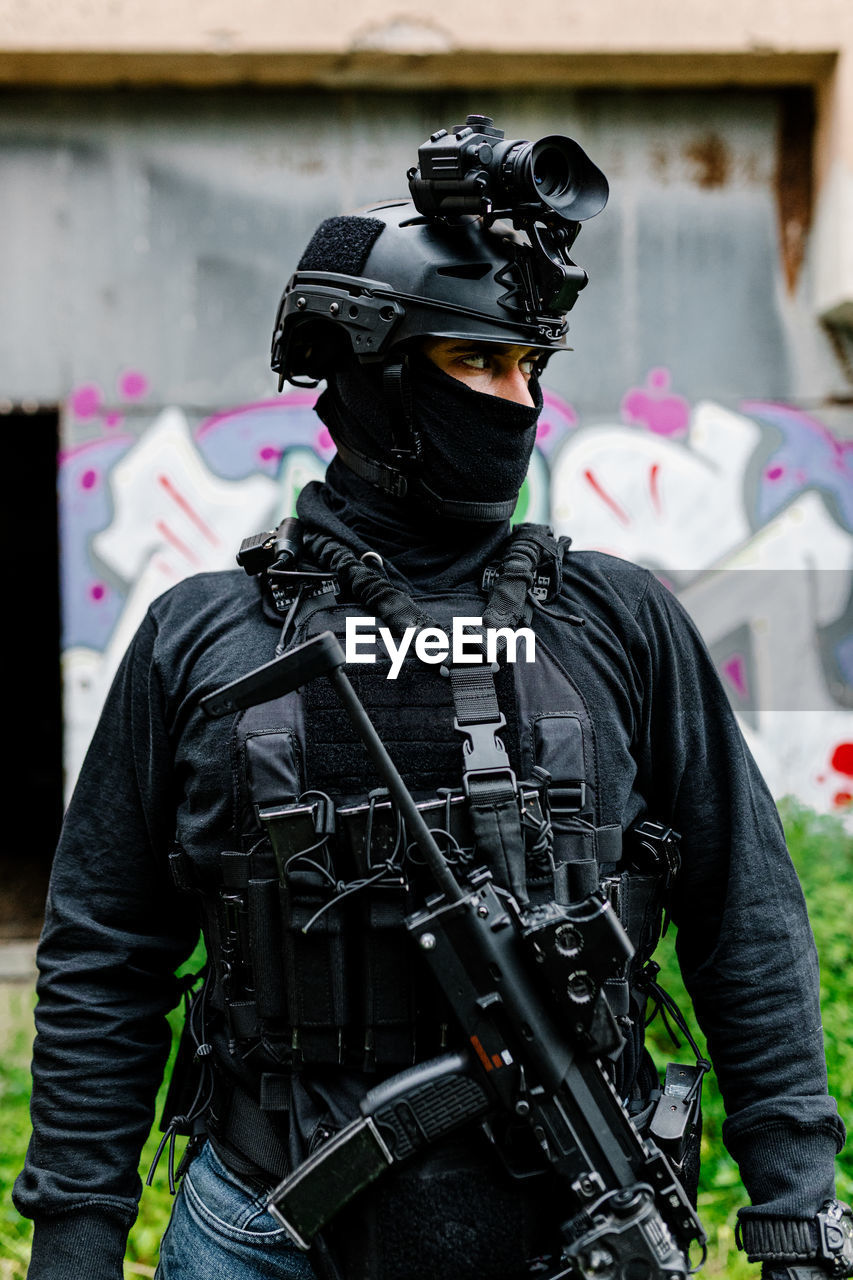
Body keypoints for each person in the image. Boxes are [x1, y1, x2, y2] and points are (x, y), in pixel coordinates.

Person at [14, 115, 849, 1280]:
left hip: (573, 1230)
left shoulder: (615, 618)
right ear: (368, 374)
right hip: (264, 1226)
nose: (518, 401)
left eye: (530, 367)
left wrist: (796, 1219)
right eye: (476, 362)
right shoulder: (204, 635)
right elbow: (104, 948)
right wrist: (75, 1235)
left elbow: (745, 921)